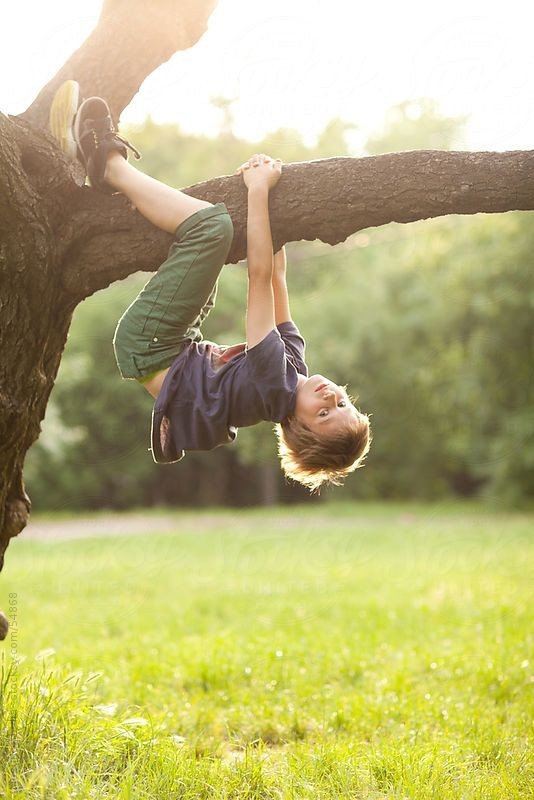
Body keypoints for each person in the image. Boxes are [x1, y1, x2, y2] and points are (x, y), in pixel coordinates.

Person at [49, 82, 371, 491]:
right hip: (174, 344)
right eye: (341, 403)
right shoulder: (295, 370)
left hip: (149, 345)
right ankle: (107, 179)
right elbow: (277, 277)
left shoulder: (275, 383)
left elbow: (258, 279)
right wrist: (277, 210)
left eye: (323, 414)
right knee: (220, 246)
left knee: (212, 228)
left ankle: (107, 165)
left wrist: (257, 191)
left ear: (294, 423)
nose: (330, 398)